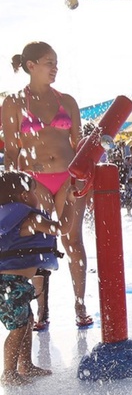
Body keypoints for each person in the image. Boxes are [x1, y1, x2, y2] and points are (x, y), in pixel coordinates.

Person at [2, 41, 92, 329]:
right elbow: (13, 153)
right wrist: (15, 189)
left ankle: (80, 304)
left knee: (73, 241)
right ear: (31, 65)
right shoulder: (13, 102)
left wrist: (81, 176)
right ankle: (42, 310)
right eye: (49, 62)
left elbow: (78, 145)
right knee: (37, 246)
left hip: (68, 178)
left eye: (55, 62)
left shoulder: (67, 101)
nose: (55, 67)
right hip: (33, 181)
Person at [0, 171, 67, 385]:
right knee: (18, 328)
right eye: (34, 191)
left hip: (13, 284)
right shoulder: (32, 218)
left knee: (26, 321)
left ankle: (25, 364)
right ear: (24, 195)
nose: (38, 196)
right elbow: (60, 229)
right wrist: (71, 203)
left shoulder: (12, 216)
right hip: (10, 285)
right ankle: (8, 373)